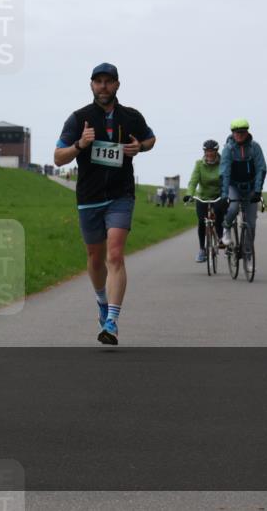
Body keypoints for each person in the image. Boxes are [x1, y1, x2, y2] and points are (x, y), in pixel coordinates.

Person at [54, 62, 156, 345]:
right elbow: (58, 157)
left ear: (117, 85)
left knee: (114, 254)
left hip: (121, 195)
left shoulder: (131, 117)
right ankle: (101, 301)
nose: (103, 86)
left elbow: (150, 138)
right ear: (91, 86)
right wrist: (80, 146)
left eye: (108, 81)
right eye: (98, 81)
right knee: (95, 257)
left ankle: (111, 321)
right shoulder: (79, 119)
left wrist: (141, 147)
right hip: (89, 197)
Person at [219, 118, 266, 246]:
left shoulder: (255, 147)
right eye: (236, 132)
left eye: (242, 132)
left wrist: (257, 191)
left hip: (251, 188)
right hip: (234, 186)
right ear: (232, 133)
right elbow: (224, 173)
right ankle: (226, 228)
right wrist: (224, 196)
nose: (239, 135)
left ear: (247, 132)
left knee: (251, 224)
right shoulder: (228, 149)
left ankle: (248, 255)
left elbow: (261, 169)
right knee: (233, 208)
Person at [183, 140, 226, 262]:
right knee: (202, 222)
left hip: (218, 196)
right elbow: (193, 181)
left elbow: (225, 180)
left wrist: (225, 195)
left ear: (216, 151)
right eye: (207, 151)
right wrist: (189, 194)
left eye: (212, 151)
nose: (209, 153)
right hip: (202, 197)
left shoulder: (223, 163)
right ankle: (202, 249)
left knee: (218, 214)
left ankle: (220, 238)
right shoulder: (199, 164)